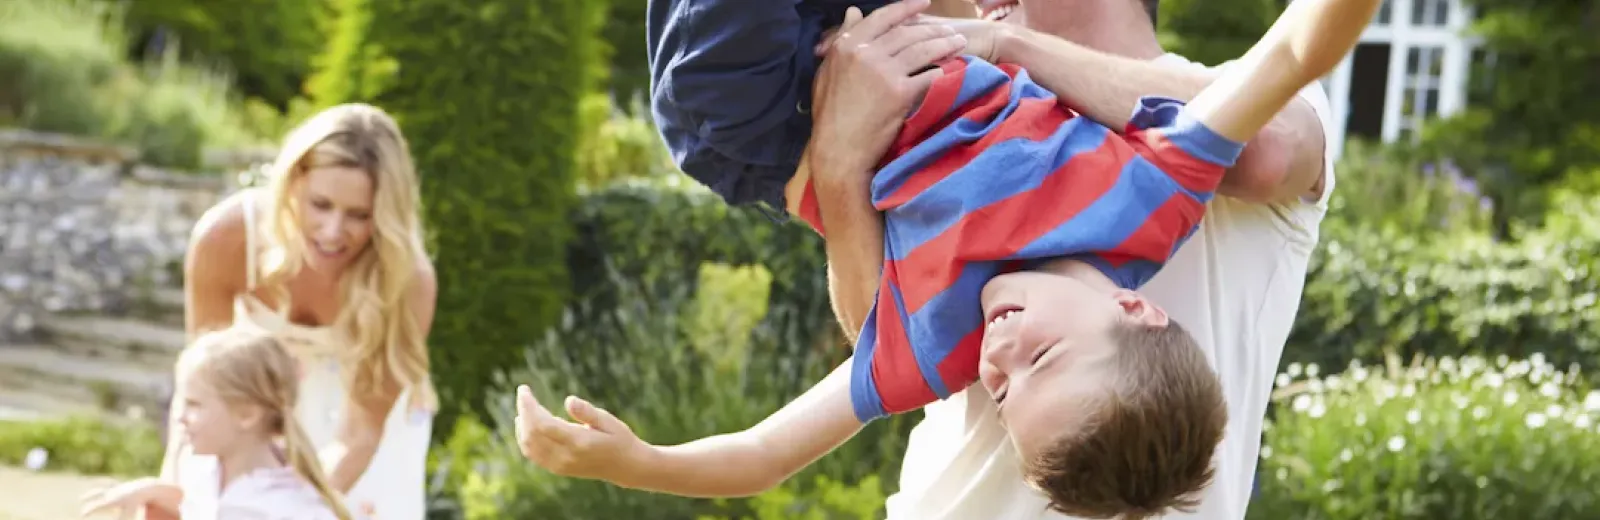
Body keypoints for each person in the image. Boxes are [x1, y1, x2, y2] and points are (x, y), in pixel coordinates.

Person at [515, 0, 1369, 517]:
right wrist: (976, 52)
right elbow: (1300, 42)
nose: (999, 359)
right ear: (1136, 308)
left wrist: (642, 464)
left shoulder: (961, 334)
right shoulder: (1142, 193)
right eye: (1032, 360)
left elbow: (859, 353)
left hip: (764, 117)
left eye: (1003, 383)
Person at [166, 103, 439, 520]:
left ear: (385, 215)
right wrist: (176, 497)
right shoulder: (227, 239)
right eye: (321, 204)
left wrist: (293, 509)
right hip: (255, 406)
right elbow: (204, 394)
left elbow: (361, 432)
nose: (333, 232)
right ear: (293, 184)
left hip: (362, 434)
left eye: (358, 216)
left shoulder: (408, 280)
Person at [80, 328, 357, 520]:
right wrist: (148, 491)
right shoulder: (201, 467)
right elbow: (195, 506)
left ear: (246, 414)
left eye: (194, 405)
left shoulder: (292, 507)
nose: (179, 417)